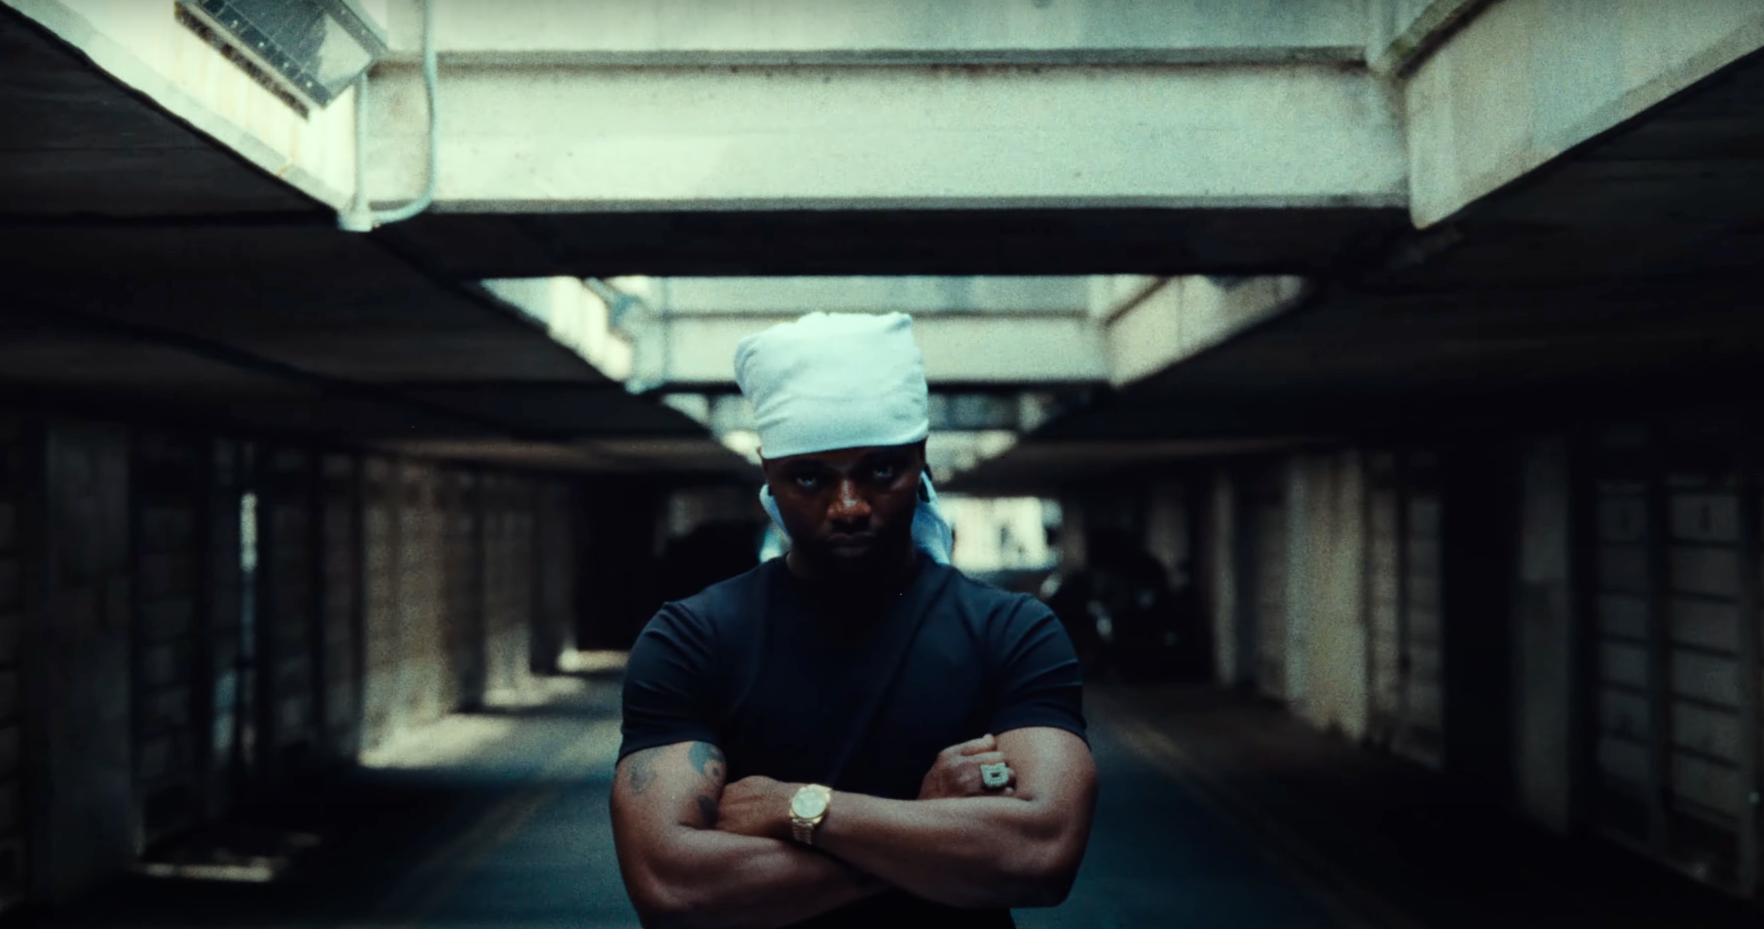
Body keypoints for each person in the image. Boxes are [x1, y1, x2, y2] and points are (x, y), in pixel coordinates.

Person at [610, 312, 1098, 929]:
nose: (848, 506)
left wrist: (800, 808)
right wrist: (924, 828)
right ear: (769, 473)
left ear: (919, 459)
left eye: (879, 471)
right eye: (810, 477)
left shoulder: (1013, 632)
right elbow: (672, 885)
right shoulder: (691, 638)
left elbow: (1040, 855)